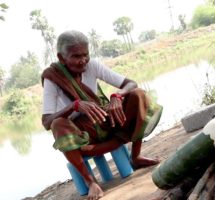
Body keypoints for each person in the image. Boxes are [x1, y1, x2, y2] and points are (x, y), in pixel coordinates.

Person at [41, 30, 163, 200]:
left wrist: (117, 96)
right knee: (58, 124)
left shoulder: (92, 65)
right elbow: (46, 122)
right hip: (84, 138)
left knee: (138, 94)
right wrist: (74, 106)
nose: (83, 60)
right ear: (62, 58)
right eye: (76, 56)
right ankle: (91, 182)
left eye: (86, 54)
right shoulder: (52, 78)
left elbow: (131, 83)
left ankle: (135, 157)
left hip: (106, 122)